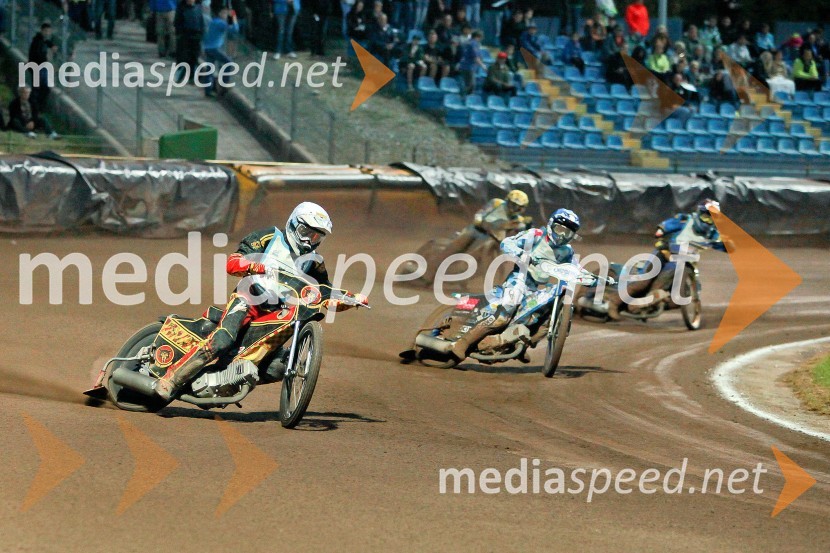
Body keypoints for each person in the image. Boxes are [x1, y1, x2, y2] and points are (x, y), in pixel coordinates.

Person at [154, 202, 365, 400]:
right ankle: (171, 379)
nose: (309, 241)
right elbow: (233, 262)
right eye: (306, 233)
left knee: (280, 367)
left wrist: (350, 298)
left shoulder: (315, 262)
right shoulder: (269, 237)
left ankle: (224, 380)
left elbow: (324, 293)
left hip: (276, 314)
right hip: (248, 300)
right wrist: (257, 266)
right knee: (223, 340)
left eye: (316, 237)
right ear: (293, 224)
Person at [449, 208, 582, 361]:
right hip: (518, 280)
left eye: (568, 233)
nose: (562, 236)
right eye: (560, 230)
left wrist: (593, 279)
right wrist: (520, 253)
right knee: (505, 313)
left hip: (533, 288)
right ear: (552, 225)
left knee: (546, 310)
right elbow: (507, 242)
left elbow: (576, 268)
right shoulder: (535, 235)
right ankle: (463, 344)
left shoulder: (567, 251)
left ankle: (520, 344)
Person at [580, 200, 728, 320]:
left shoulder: (714, 233)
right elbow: (663, 228)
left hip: (684, 263)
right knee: (643, 281)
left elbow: (724, 244)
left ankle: (647, 303)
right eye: (706, 216)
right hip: (665, 254)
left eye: (712, 217)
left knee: (681, 296)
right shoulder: (684, 220)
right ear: (699, 213)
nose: (709, 220)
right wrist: (661, 234)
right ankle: (614, 303)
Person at [202, 8, 239, 96]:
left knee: (210, 69)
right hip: (215, 48)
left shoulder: (213, 21)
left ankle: (208, 90)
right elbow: (234, 29)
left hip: (207, 47)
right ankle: (224, 83)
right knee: (228, 62)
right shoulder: (221, 23)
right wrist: (233, 18)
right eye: (225, 14)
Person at [27, 23, 58, 112]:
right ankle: (36, 108)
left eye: (49, 31)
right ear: (42, 31)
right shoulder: (37, 42)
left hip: (40, 67)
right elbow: (38, 55)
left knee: (43, 88)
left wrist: (51, 45)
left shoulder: (42, 40)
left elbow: (47, 42)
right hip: (37, 67)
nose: (47, 33)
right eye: (46, 31)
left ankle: (38, 107)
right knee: (39, 88)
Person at [174, 0, 204, 84]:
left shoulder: (198, 7)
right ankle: (180, 76)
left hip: (196, 36)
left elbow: (201, 21)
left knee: (194, 57)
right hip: (185, 35)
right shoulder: (181, 7)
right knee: (184, 57)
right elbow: (177, 21)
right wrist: (179, 33)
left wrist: (201, 33)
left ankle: (191, 77)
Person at [458, 29, 485, 94]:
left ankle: (465, 97)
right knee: (471, 85)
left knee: (469, 85)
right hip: (468, 67)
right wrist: (483, 66)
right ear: (478, 37)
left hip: (464, 66)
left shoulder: (468, 42)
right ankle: (462, 96)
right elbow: (476, 58)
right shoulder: (473, 44)